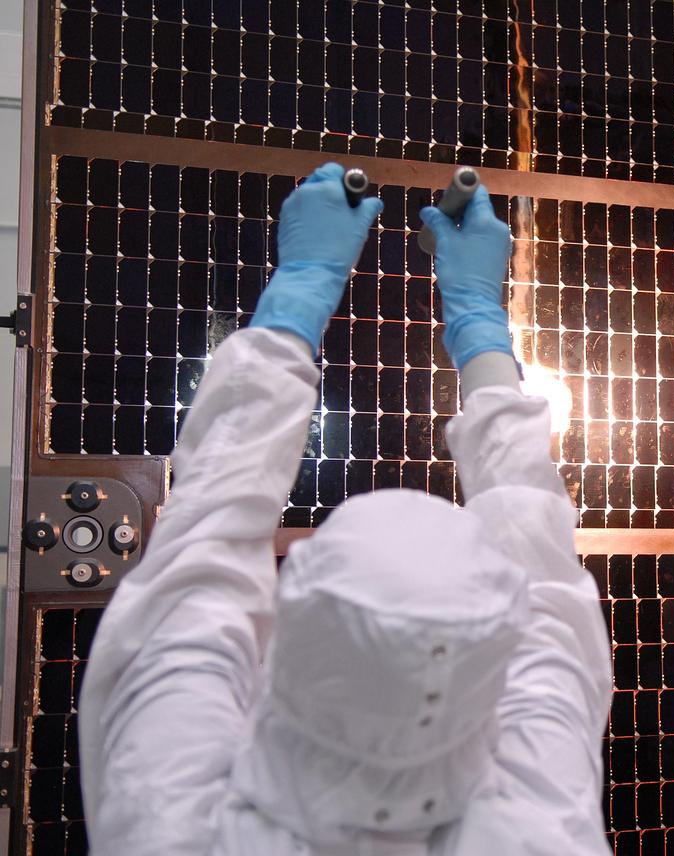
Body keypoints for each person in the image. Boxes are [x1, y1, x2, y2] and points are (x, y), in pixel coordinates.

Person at [77, 163, 613, 855]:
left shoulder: (173, 820)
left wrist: (300, 295)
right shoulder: (540, 830)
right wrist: (479, 325)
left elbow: (206, 538)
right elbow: (538, 559)